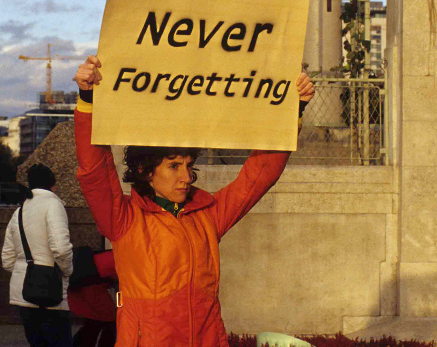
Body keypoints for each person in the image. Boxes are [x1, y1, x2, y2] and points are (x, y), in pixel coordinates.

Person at [72, 55, 315, 347]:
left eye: (189, 165)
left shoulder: (208, 213)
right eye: (174, 166)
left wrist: (293, 110)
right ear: (143, 170)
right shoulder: (124, 218)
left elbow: (258, 176)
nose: (186, 177)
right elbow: (95, 171)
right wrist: (87, 100)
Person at [2, 163, 74, 347]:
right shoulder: (53, 205)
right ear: (54, 185)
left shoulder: (19, 211)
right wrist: (67, 271)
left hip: (23, 293)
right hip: (50, 290)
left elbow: (7, 260)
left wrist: (25, 272)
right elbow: (60, 247)